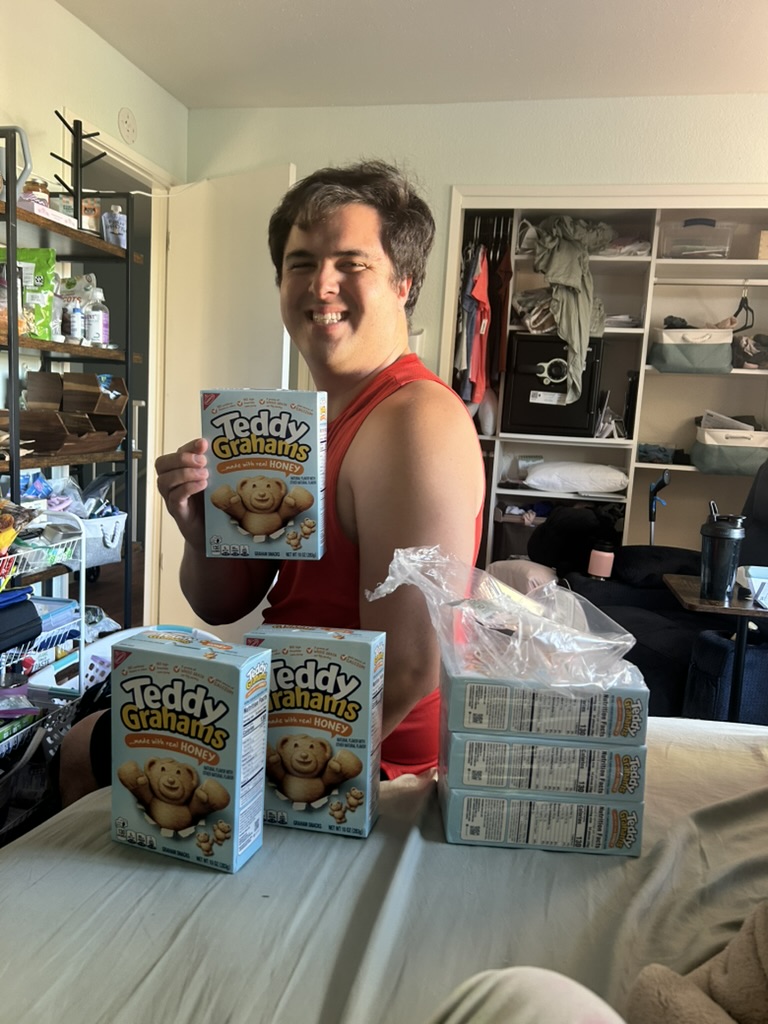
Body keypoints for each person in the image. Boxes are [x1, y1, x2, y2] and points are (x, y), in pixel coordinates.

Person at [59, 159, 485, 803]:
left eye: (351, 263)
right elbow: (224, 604)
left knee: (80, 746)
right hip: (294, 706)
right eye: (302, 263)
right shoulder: (304, 424)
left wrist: (270, 777)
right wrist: (198, 528)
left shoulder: (415, 420)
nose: (322, 285)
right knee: (103, 712)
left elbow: (406, 670)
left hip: (363, 758)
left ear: (405, 282)